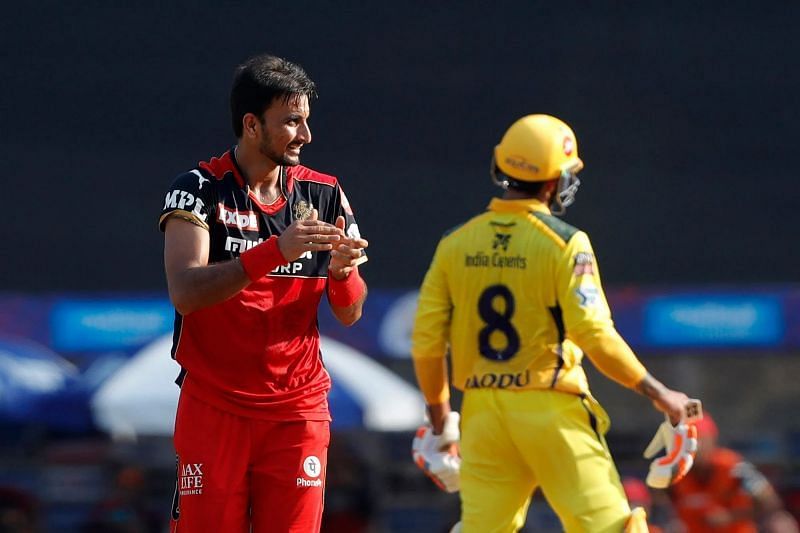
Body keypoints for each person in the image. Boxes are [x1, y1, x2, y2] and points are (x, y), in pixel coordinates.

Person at [410, 114, 696, 532]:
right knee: (612, 527)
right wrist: (658, 392)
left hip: (483, 414)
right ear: (554, 182)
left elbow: (427, 343)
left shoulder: (455, 243)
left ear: (500, 166)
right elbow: (593, 332)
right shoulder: (566, 243)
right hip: (550, 408)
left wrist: (440, 421)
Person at [159, 53, 368, 533]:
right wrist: (276, 249)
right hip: (214, 408)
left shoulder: (325, 194)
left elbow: (352, 311)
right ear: (252, 125)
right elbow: (185, 292)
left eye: (307, 120)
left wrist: (342, 274)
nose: (306, 135)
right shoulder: (198, 189)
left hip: (298, 411)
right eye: (292, 121)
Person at [668, 414, 799, 533]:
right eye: (687, 440)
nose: (695, 447)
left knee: (781, 523)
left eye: (699, 440)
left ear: (712, 440)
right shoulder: (675, 476)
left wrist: (730, 517)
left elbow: (770, 503)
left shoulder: (734, 468)